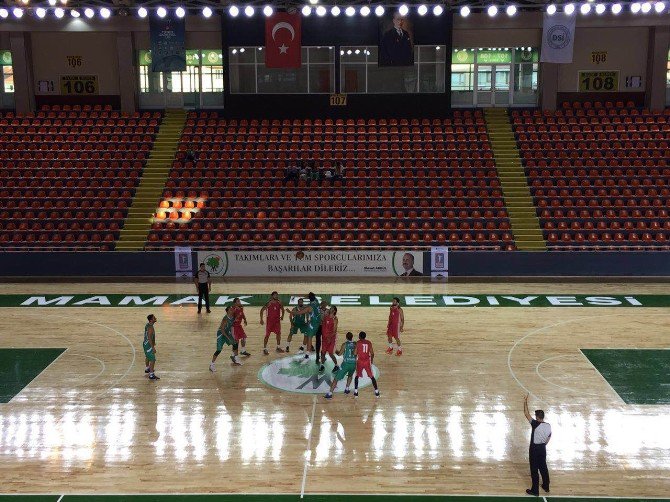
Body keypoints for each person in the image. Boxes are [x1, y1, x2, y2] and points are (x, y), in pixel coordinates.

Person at [524, 394, 552, 496]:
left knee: (534, 469)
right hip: (543, 448)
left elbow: (526, 414)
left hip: (534, 449)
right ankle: (546, 486)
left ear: (537, 417)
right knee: (543, 467)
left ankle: (535, 490)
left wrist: (525, 401)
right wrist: (543, 445)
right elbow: (549, 437)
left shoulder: (535, 424)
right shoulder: (548, 425)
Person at [292, 293, 324, 366]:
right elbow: (308, 296)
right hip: (317, 323)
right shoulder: (316, 301)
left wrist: (290, 312)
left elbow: (299, 312)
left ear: (309, 298)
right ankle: (303, 349)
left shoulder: (309, 307)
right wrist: (299, 295)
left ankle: (307, 357)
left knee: (309, 339)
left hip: (313, 324)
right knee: (306, 335)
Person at [324, 331, 356, 399]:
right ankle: (347, 389)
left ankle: (330, 394)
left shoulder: (345, 344)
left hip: (346, 364)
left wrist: (336, 351)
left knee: (336, 379)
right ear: (352, 337)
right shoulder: (356, 344)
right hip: (353, 364)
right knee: (350, 376)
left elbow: (339, 354)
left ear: (346, 337)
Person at [210, 306, 242, 371]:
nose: (232, 310)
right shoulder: (225, 319)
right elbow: (222, 329)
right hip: (221, 334)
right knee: (218, 350)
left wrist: (233, 336)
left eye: (232, 309)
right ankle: (212, 364)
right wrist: (228, 338)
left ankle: (235, 358)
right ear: (227, 311)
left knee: (235, 343)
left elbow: (232, 326)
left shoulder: (233, 317)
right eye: (231, 310)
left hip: (227, 332)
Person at [354, 331, 379, 397]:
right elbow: (372, 353)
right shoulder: (369, 342)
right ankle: (377, 391)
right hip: (367, 361)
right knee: (371, 376)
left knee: (357, 376)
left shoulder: (358, 343)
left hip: (360, 361)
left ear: (359, 337)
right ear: (365, 336)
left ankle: (356, 392)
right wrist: (372, 361)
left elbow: (354, 353)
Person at [319, 306, 339, 373]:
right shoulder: (326, 317)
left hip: (331, 338)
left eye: (331, 309)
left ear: (334, 311)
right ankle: (322, 365)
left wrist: (329, 337)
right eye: (330, 308)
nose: (330, 309)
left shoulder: (335, 319)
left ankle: (336, 365)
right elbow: (323, 327)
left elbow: (334, 331)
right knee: (323, 352)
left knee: (330, 353)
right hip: (324, 338)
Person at [143, 314, 159, 380]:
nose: (155, 318)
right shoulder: (150, 328)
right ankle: (151, 375)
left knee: (147, 357)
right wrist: (152, 347)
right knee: (152, 359)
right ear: (151, 320)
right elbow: (149, 337)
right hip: (148, 345)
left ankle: (147, 368)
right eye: (154, 318)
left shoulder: (148, 325)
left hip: (145, 344)